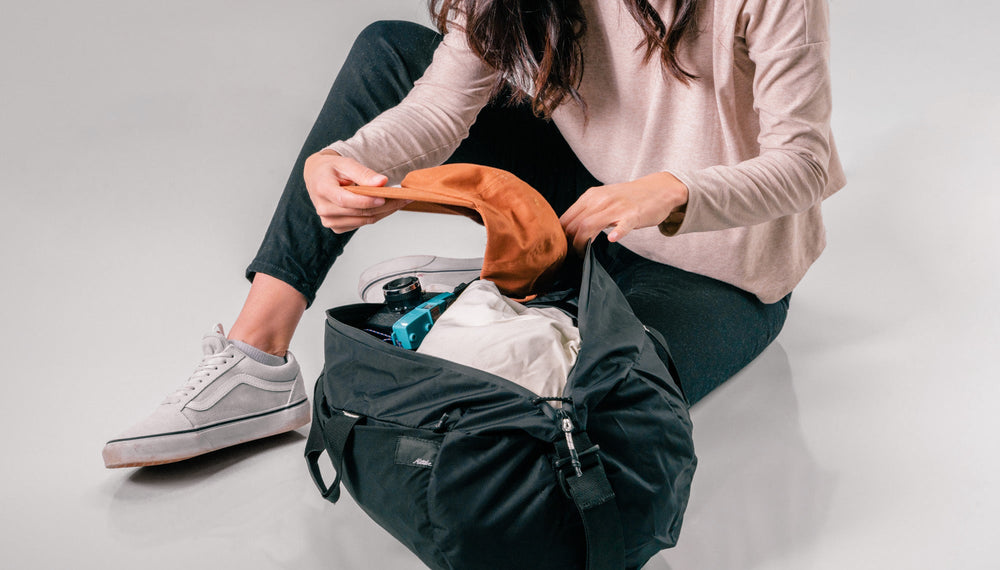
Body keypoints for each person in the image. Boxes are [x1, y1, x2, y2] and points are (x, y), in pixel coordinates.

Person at [103, 0, 845, 468]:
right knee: (389, 48)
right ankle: (258, 359)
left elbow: (807, 161)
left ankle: (504, 285)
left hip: (719, 268)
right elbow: (437, 111)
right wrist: (347, 158)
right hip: (592, 201)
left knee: (570, 418)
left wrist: (674, 192)